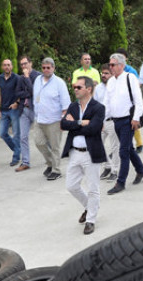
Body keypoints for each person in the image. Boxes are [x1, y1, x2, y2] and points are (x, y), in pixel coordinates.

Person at [61, 76, 106, 235]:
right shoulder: (73, 106)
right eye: (74, 87)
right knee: (71, 186)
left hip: (91, 154)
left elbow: (94, 129)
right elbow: (63, 124)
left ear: (88, 89)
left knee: (93, 188)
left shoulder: (98, 108)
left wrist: (75, 124)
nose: (75, 90)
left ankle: (91, 220)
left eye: (78, 87)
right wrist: (81, 122)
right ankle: (89, 206)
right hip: (74, 153)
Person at [104, 53, 143, 195]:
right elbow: (107, 103)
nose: (110, 67)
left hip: (128, 120)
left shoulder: (130, 78)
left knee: (123, 152)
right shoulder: (110, 82)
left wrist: (136, 118)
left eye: (113, 65)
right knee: (128, 149)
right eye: (109, 64)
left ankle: (120, 182)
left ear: (121, 65)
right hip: (115, 121)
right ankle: (140, 170)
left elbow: (139, 101)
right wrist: (104, 119)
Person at [32, 57, 71, 181]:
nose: (46, 70)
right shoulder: (37, 80)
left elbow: (66, 104)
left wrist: (63, 121)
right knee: (39, 143)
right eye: (44, 68)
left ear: (53, 68)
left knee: (55, 147)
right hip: (39, 119)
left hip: (54, 120)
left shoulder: (59, 83)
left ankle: (56, 170)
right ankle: (50, 163)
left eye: (48, 68)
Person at [15, 55, 41, 172]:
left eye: (25, 63)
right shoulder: (20, 78)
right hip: (24, 110)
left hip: (35, 110)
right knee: (23, 137)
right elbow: (17, 94)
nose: (24, 66)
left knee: (42, 136)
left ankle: (51, 157)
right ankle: (25, 162)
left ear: (31, 63)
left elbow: (34, 92)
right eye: (22, 65)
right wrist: (26, 93)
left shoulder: (38, 76)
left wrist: (26, 77)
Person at [116, 47, 143, 155]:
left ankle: (139, 143)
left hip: (130, 102)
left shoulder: (131, 71)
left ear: (126, 59)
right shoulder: (113, 70)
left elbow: (137, 85)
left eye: (123, 57)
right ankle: (124, 146)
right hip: (118, 103)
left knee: (133, 122)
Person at [95, 64, 120, 181]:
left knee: (115, 147)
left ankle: (115, 171)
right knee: (98, 145)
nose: (103, 75)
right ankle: (107, 166)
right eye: (103, 73)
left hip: (112, 121)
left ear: (112, 74)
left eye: (106, 73)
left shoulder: (116, 86)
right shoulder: (98, 88)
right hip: (100, 121)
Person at [0, 59, 22, 167]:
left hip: (14, 109)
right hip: (4, 110)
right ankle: (17, 149)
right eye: (5, 65)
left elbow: (21, 92)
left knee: (16, 134)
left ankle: (16, 157)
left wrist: (17, 102)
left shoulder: (17, 78)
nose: (7, 67)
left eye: (8, 65)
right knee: (2, 133)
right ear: (2, 67)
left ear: (12, 66)